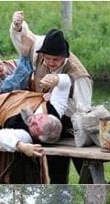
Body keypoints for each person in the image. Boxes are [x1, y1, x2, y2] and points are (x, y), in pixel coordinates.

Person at [11, 11, 93, 183]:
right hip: (48, 122)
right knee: (56, 172)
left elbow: (83, 109)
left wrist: (55, 96)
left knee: (86, 174)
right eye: (47, 58)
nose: (50, 63)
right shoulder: (41, 51)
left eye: (55, 60)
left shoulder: (80, 77)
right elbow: (26, 40)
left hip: (71, 126)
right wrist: (17, 27)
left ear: (65, 56)